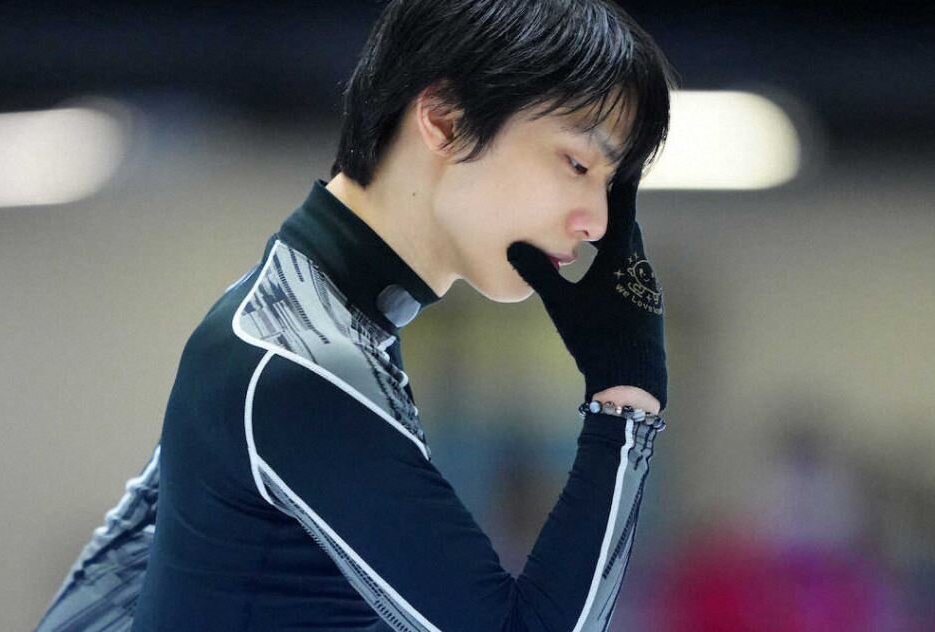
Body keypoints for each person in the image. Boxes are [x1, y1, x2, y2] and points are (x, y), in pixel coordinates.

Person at [35, 0, 678, 629]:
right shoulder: (298, 364)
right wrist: (627, 398)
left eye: (609, 184)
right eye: (577, 163)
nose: (597, 222)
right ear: (446, 121)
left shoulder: (286, 320)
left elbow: (109, 587)